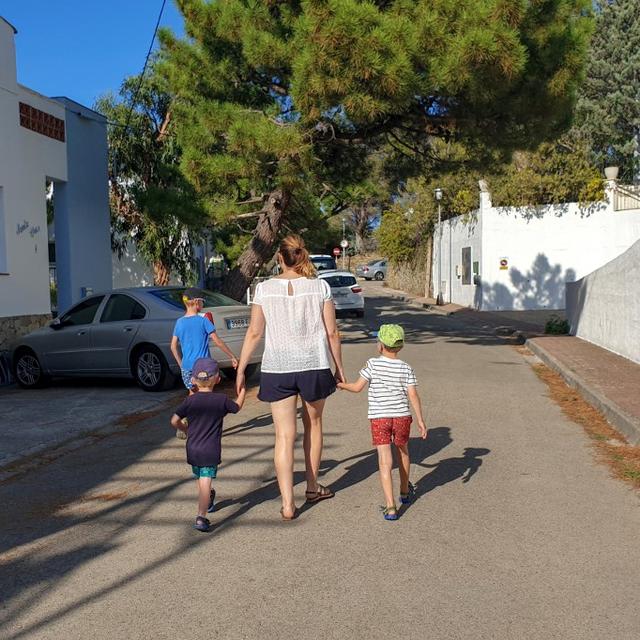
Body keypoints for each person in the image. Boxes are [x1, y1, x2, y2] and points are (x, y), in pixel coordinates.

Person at [236, 235, 345, 520]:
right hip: (313, 364)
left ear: (280, 259)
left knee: (284, 436)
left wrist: (240, 369)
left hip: (277, 367)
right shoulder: (319, 287)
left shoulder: (264, 289)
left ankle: (287, 503)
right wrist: (339, 368)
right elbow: (332, 332)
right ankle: (312, 487)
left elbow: (255, 332)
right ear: (302, 257)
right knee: (314, 426)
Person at [338, 324, 427, 521]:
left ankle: (390, 506)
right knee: (403, 451)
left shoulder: (372, 364)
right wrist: (420, 419)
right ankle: (404, 492)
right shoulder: (406, 368)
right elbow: (413, 394)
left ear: (380, 345)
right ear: (400, 346)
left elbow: (357, 387)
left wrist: (340, 384)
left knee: (385, 460)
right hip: (402, 416)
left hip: (380, 418)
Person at [170, 357, 246, 532]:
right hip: (209, 450)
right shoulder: (221, 400)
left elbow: (174, 420)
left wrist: (185, 429)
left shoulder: (189, 401)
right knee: (205, 480)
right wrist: (242, 391)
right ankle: (201, 516)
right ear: (218, 379)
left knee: (200, 478)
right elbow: (236, 407)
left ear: (194, 380)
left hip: (193, 449)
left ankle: (208, 499)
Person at [170, 287, 238, 438]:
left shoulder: (179, 323)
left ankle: (188, 425)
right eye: (202, 301)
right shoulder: (203, 321)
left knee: (192, 396)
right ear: (195, 302)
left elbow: (173, 346)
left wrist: (181, 364)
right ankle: (209, 427)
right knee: (207, 397)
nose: (203, 304)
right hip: (204, 367)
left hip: (187, 367)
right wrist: (231, 356)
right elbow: (217, 341)